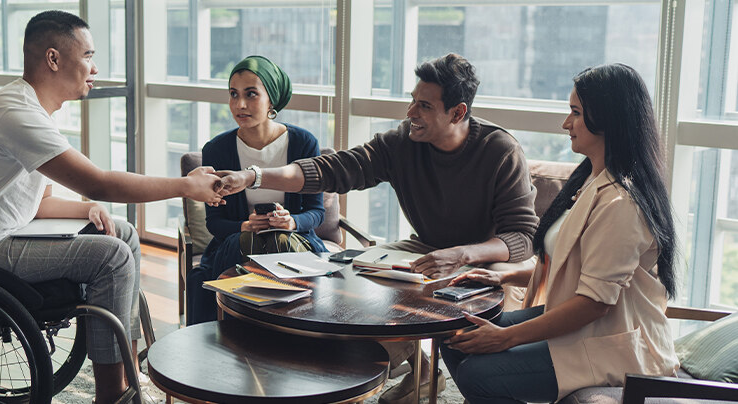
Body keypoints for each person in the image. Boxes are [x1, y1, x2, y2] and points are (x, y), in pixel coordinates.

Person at [0, 10, 223, 404]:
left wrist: (86, 210)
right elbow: (97, 181)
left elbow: (39, 202)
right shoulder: (15, 112)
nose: (95, 67)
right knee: (112, 259)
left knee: (123, 232)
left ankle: (127, 363)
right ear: (53, 59)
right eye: (88, 55)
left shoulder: (35, 110)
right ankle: (111, 395)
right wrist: (186, 186)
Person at [215, 53, 539, 404]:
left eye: (424, 106)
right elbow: (333, 169)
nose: (411, 113)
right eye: (412, 101)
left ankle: (392, 371)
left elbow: (522, 238)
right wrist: (255, 175)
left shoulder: (499, 150)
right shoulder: (403, 143)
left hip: (488, 258)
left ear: (457, 113)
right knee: (354, 271)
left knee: (454, 305)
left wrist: (463, 254)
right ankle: (362, 374)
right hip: (427, 248)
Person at [438, 63, 679, 403]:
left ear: (608, 119)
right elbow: (570, 264)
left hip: (613, 343)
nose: (566, 123)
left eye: (576, 113)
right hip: (586, 325)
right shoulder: (589, 181)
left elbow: (594, 304)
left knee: (478, 374)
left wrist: (506, 339)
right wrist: (504, 279)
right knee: (456, 336)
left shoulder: (622, 203)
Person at [186, 56, 327, 326]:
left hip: (295, 241)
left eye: (251, 94)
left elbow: (317, 212)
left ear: (271, 99)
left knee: (279, 242)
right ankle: (279, 333)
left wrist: (293, 222)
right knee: (253, 244)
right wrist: (245, 225)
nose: (240, 104)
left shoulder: (303, 143)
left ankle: (260, 334)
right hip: (237, 244)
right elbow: (214, 223)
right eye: (233, 95)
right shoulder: (216, 150)